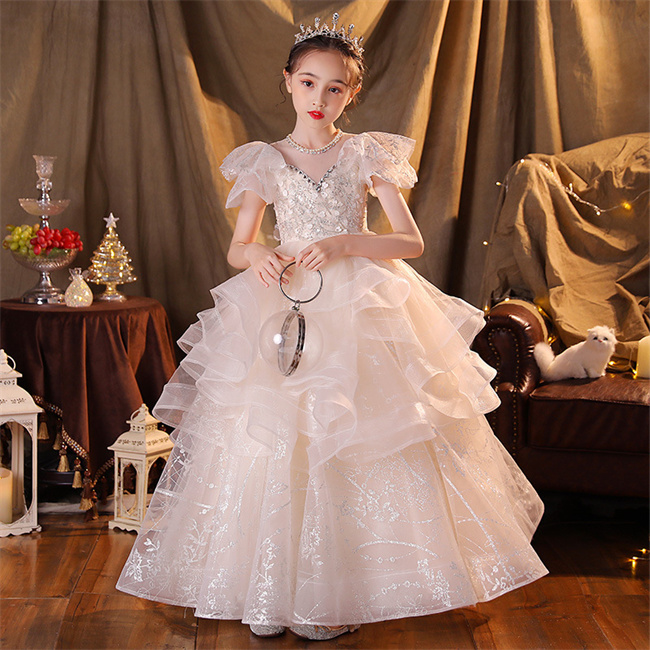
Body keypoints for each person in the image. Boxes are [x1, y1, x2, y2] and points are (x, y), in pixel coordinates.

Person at [116, 14, 548, 641]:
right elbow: (239, 246)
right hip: (284, 303)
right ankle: (268, 589)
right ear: (288, 81)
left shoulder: (364, 154)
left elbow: (410, 241)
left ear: (352, 93)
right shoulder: (265, 161)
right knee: (274, 434)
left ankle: (335, 592)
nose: (319, 98)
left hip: (357, 301)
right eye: (308, 83)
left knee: (352, 432)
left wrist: (347, 242)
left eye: (335, 87)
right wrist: (259, 256)